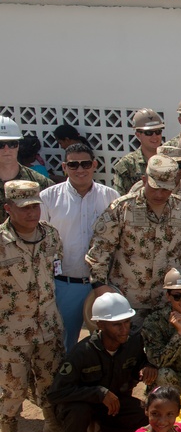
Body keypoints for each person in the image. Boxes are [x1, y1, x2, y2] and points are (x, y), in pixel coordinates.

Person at [48, 293, 157, 432]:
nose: (125, 329)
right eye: (117, 325)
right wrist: (97, 393)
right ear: (100, 325)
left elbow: (139, 363)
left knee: (147, 414)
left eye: (127, 322)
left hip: (114, 404)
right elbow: (56, 393)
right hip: (84, 406)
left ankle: (99, 430)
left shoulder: (132, 342)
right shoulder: (81, 353)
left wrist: (147, 366)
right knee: (78, 410)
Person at [88, 155, 181, 329]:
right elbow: (100, 251)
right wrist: (100, 287)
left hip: (168, 300)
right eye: (155, 188)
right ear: (144, 180)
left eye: (165, 189)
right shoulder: (123, 208)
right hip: (128, 300)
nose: (159, 194)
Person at [0, 180, 65, 432]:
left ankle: (51, 423)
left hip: (48, 326)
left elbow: (55, 273)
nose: (31, 213)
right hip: (11, 331)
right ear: (8, 208)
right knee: (12, 387)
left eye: (35, 206)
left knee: (51, 380)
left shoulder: (50, 236)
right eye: (24, 208)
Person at [40, 144, 120, 352]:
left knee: (106, 344)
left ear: (94, 165)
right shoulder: (48, 198)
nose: (80, 169)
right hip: (66, 285)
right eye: (73, 165)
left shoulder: (111, 196)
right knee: (63, 344)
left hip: (102, 286)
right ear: (65, 167)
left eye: (85, 163)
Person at [113, 108, 165, 195]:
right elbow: (119, 196)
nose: (155, 136)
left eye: (158, 132)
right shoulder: (127, 165)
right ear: (138, 135)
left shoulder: (169, 158)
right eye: (149, 133)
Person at [0, 117, 52, 203]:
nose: (7, 149)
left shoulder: (38, 181)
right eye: (1, 145)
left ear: (18, 146)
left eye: (12, 144)